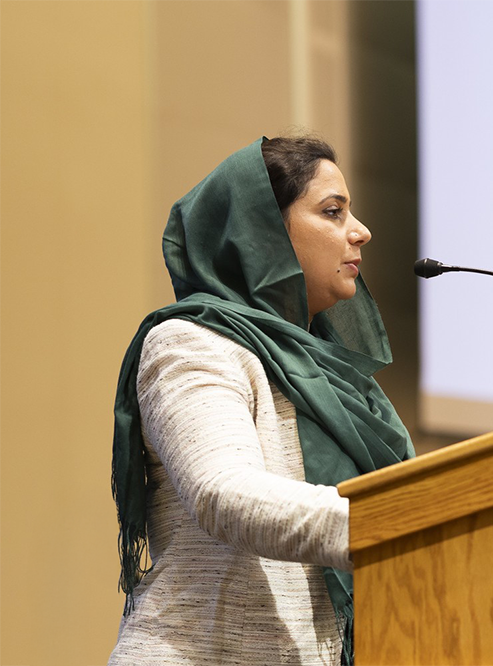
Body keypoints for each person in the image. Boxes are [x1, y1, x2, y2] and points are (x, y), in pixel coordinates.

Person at [109, 136, 414, 665]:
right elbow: (223, 494)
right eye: (333, 212)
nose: (361, 230)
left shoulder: (336, 375)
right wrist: (402, 520)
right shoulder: (191, 342)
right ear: (264, 233)